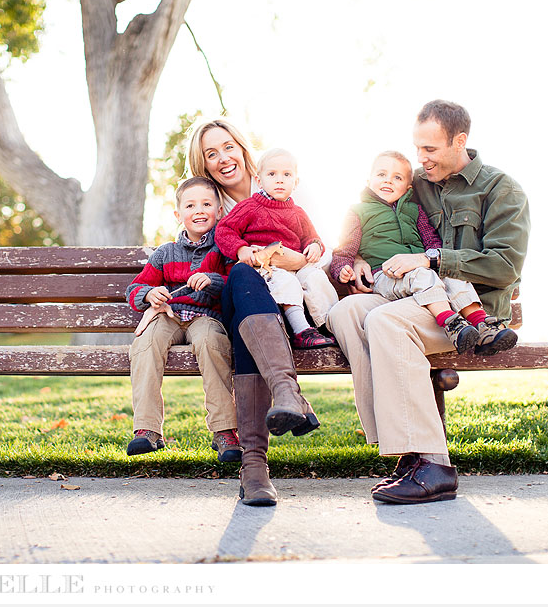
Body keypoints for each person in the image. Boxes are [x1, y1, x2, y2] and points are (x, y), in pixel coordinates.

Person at [326, 100, 530, 504]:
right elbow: (369, 215)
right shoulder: (415, 182)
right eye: (417, 148)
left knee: (387, 323)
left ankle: (433, 464)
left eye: (430, 150)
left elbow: (505, 265)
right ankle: (403, 447)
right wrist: (360, 257)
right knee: (346, 311)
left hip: (469, 310)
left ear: (460, 141)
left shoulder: (501, 189)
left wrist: (433, 258)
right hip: (416, 294)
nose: (421, 159)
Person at [186, 118, 320, 506]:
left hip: (293, 306)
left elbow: (314, 252)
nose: (223, 158)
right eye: (211, 153)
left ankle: (254, 468)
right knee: (244, 279)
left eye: (228, 146)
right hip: (236, 301)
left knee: (251, 311)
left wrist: (279, 256)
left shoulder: (287, 186)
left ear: (242, 148)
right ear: (204, 163)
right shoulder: (209, 204)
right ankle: (286, 393)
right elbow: (200, 262)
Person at [330, 150, 518, 355]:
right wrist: (344, 270)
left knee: (448, 273)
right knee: (422, 274)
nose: (388, 181)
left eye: (397, 177)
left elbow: (432, 243)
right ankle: (451, 323)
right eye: (381, 174)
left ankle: (482, 325)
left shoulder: (414, 210)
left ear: (408, 187)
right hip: (384, 275)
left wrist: (437, 262)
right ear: (368, 180)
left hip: (416, 274)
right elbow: (344, 250)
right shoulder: (357, 211)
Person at [125, 176, 242, 463]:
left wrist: (213, 280)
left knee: (211, 342)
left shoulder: (224, 250)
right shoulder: (166, 252)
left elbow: (234, 285)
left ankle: (224, 431)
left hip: (206, 317)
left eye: (206, 204)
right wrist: (150, 294)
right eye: (191, 205)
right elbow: (134, 288)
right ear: (179, 215)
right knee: (146, 342)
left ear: (218, 210)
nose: (199, 210)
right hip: (169, 316)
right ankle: (148, 429)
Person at [215, 147, 338, 349]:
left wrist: (314, 246)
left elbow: (311, 237)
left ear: (295, 182)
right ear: (259, 180)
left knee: (315, 277)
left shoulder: (298, 213)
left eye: (287, 175)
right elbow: (224, 230)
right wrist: (240, 249)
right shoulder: (249, 207)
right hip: (265, 267)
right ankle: (301, 331)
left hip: (296, 264)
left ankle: (328, 326)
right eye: (272, 174)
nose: (279, 180)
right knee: (286, 280)